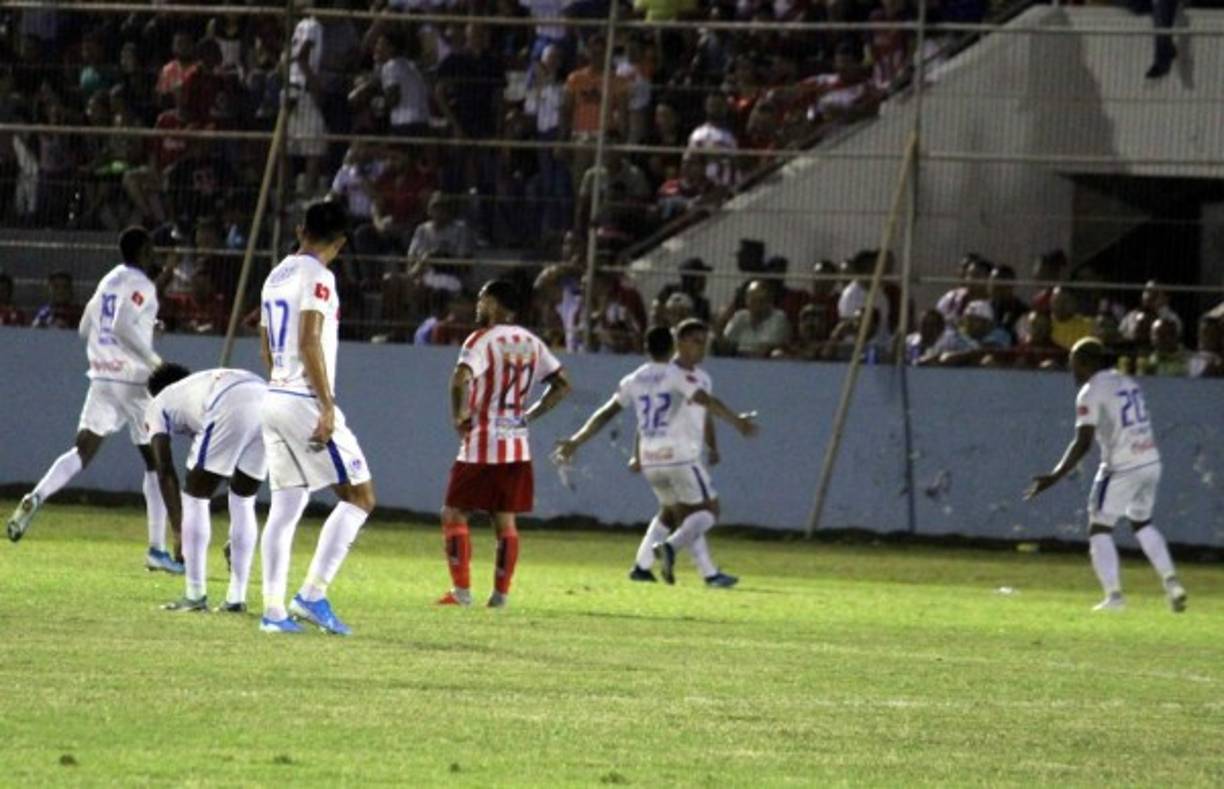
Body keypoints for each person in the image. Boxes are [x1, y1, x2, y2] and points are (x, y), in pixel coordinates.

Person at [7, 227, 182, 574]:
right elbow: (120, 328)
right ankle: (157, 549)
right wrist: (154, 361)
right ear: (144, 251)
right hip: (132, 380)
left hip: (101, 376)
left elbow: (87, 327)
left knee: (82, 451)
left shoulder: (108, 281)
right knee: (155, 463)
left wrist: (142, 331)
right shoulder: (143, 284)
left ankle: (37, 495)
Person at [555, 322, 757, 587]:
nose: (702, 347)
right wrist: (737, 421)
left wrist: (575, 441)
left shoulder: (634, 379)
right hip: (679, 455)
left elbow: (606, 414)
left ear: (644, 348)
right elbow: (704, 401)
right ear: (675, 344)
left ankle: (644, 566)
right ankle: (672, 549)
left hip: (652, 458)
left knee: (672, 514)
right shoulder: (678, 375)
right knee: (708, 512)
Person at [257, 200, 377, 636]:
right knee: (361, 497)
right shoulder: (318, 276)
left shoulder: (276, 274)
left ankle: (272, 612)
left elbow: (266, 343)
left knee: (286, 505)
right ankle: (311, 594)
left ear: (299, 227)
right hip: (304, 399)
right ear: (341, 243)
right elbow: (310, 339)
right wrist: (326, 405)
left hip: (275, 395)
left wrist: (280, 382)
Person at [1024, 338, 1187, 613]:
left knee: (1099, 527)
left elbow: (1083, 442)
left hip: (1122, 466)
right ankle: (1172, 584)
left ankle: (1114, 597)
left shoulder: (1090, 391)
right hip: (1150, 460)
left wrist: (1055, 476)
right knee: (1142, 523)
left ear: (1087, 363)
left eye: (1074, 364)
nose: (1072, 371)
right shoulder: (1126, 381)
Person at [438, 279, 571, 608]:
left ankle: (462, 592)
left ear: (497, 304)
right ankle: (500, 596)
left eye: (483, 300)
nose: (478, 306)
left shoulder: (481, 340)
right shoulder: (530, 342)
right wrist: (530, 414)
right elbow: (562, 384)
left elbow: (459, 379)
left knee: (454, 513)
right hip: (516, 443)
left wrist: (459, 416)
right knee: (505, 519)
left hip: (482, 441)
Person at [144, 364, 267, 613]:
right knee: (244, 499)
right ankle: (236, 598)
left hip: (228, 401)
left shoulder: (158, 403)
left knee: (195, 498)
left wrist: (179, 530)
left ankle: (194, 594)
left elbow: (164, 470)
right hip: (267, 397)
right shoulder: (197, 384)